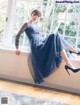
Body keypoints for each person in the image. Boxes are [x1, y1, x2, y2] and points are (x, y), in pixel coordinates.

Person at [15, 9, 80, 84]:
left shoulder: (36, 26)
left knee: (57, 36)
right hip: (36, 46)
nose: (36, 17)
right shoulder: (26, 24)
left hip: (41, 42)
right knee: (54, 35)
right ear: (31, 14)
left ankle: (70, 59)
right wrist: (17, 48)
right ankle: (74, 53)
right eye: (35, 15)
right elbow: (17, 35)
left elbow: (39, 37)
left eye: (38, 16)